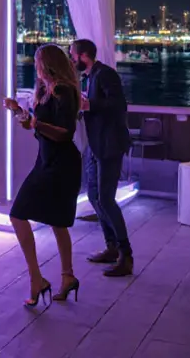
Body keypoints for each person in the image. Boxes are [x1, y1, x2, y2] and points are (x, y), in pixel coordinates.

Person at [4, 44, 84, 307]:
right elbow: (41, 128)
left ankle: (38, 279)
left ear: (47, 63)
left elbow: (65, 132)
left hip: (61, 163)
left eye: (38, 61)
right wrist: (18, 112)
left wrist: (35, 123)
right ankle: (65, 277)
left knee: (20, 214)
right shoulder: (47, 90)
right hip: (47, 160)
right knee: (57, 221)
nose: (35, 67)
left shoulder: (64, 90)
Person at [69, 39, 133, 277]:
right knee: (95, 197)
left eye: (72, 55)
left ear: (83, 55)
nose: (71, 60)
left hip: (109, 145)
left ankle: (126, 256)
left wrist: (89, 105)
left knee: (105, 199)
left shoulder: (105, 74)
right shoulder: (90, 76)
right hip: (96, 145)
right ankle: (111, 247)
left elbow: (118, 105)